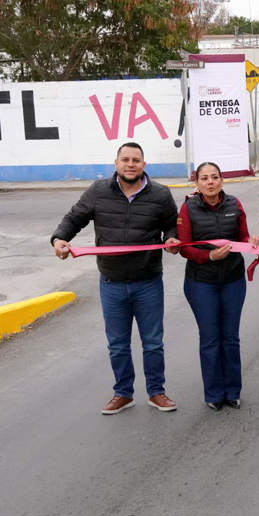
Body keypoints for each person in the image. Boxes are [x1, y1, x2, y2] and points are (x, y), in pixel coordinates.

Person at [51, 142, 180, 415]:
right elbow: (75, 218)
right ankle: (123, 393)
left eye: (136, 160)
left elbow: (172, 223)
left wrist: (171, 239)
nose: (130, 164)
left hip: (148, 281)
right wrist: (60, 238)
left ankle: (156, 392)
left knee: (153, 343)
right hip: (112, 282)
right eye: (125, 159)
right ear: (116, 163)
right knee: (118, 344)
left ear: (144, 165)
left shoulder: (160, 194)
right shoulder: (99, 191)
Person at [178, 162, 259, 411]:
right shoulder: (188, 207)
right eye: (204, 178)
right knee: (210, 338)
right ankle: (214, 393)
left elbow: (242, 236)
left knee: (231, 337)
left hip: (232, 280)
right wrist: (209, 257)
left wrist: (251, 240)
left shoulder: (234, 204)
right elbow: (184, 248)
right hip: (201, 282)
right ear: (197, 183)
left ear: (222, 181)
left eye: (215, 177)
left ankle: (233, 392)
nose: (210, 182)